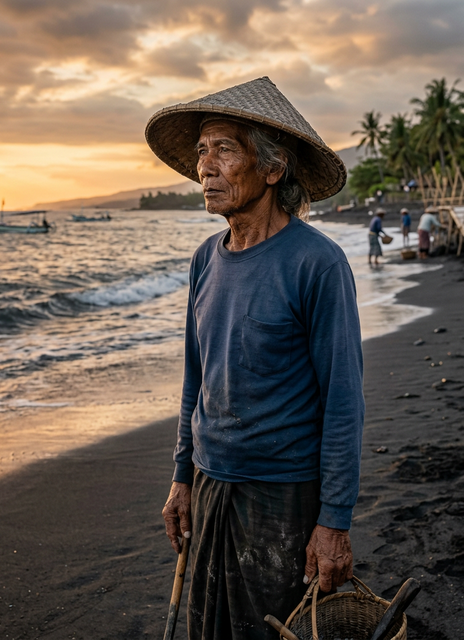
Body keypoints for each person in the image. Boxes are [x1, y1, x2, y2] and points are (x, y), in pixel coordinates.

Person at [146, 77, 364, 639]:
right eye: (201, 150)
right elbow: (197, 379)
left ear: (271, 169)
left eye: (225, 149)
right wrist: (181, 477)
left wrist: (333, 521)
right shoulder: (204, 261)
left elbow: (343, 401)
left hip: (282, 496)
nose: (205, 167)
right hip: (210, 482)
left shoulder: (317, 264)